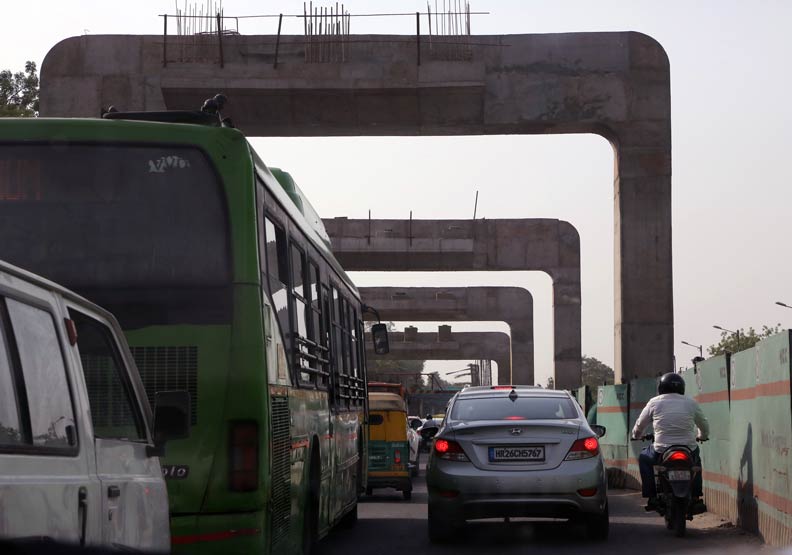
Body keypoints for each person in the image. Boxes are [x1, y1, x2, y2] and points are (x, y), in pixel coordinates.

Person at [631, 372, 710, 510]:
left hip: (661, 449)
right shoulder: (691, 402)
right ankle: (696, 497)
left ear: (661, 387)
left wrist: (636, 435)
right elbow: (703, 424)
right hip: (688, 448)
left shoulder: (654, 402)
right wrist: (702, 436)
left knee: (644, 458)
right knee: (695, 464)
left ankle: (651, 496)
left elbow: (640, 424)